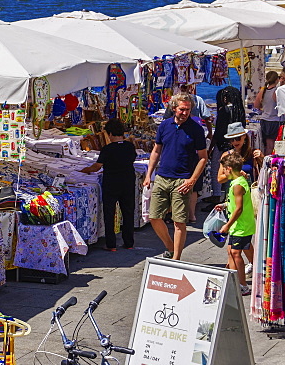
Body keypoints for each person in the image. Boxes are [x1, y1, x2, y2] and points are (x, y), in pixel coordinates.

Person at [143, 93, 209, 260]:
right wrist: (148, 174)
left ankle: (176, 259)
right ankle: (170, 247)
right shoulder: (164, 126)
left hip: (182, 179)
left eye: (188, 109)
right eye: (182, 109)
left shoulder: (196, 129)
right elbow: (156, 150)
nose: (185, 113)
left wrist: (192, 180)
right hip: (163, 176)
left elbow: (203, 157)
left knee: (179, 222)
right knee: (154, 217)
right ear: (174, 108)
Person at [80, 118, 137, 250]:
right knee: (128, 212)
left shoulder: (108, 149)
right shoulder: (130, 147)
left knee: (109, 213)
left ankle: (111, 244)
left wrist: (84, 170)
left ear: (110, 134)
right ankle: (129, 243)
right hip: (128, 182)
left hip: (111, 183)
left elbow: (97, 166)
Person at [216, 151, 255, 296]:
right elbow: (235, 203)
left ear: (229, 169)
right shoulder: (236, 182)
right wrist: (225, 205)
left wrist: (227, 225)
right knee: (230, 251)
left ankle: (243, 285)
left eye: (224, 169)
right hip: (238, 225)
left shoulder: (238, 184)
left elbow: (239, 209)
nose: (224, 172)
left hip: (241, 225)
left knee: (235, 253)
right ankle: (234, 281)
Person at [209, 86, 246, 201]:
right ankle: (226, 196)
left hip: (222, 144)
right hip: (231, 145)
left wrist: (211, 146)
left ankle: (216, 195)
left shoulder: (224, 110)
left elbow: (219, 130)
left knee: (217, 169)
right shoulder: (239, 109)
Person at [254, 70, 283, 156]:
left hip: (264, 120)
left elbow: (256, 105)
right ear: (276, 80)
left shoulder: (263, 91)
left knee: (266, 145)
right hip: (274, 121)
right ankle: (268, 164)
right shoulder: (276, 91)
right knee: (272, 146)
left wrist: (265, 107)